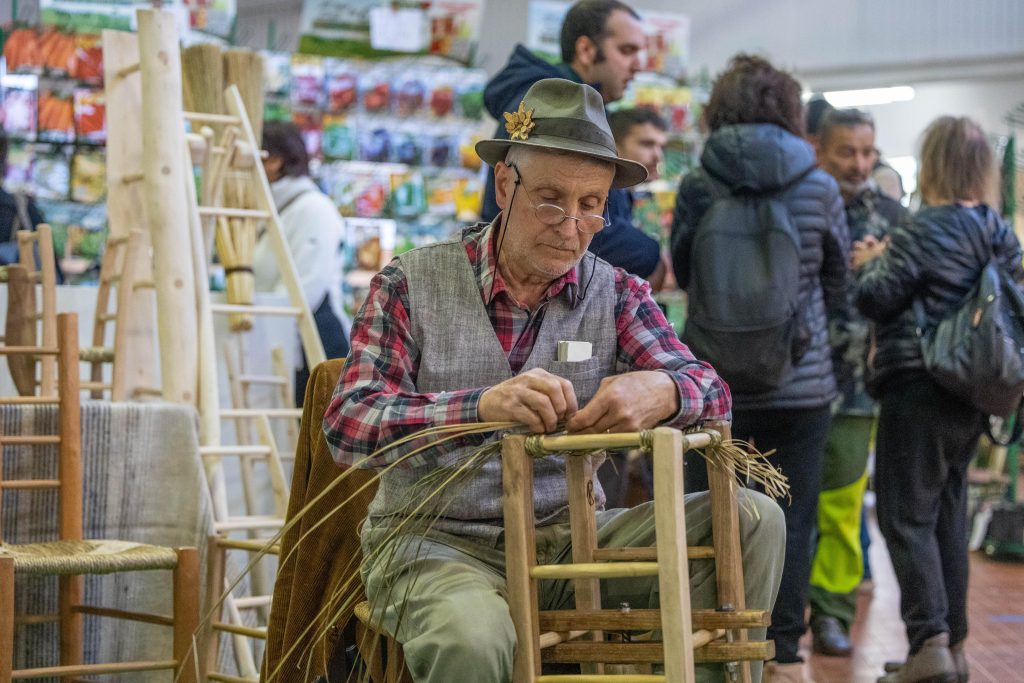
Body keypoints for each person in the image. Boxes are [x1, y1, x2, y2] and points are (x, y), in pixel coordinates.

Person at [324, 78, 785, 683]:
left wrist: (665, 391)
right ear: (504, 185)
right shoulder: (411, 283)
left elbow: (711, 390)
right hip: (437, 544)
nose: (571, 226)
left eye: (592, 204)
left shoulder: (616, 293)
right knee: (473, 640)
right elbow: (349, 423)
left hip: (571, 539)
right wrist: (479, 407)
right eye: (550, 199)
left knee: (755, 520)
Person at [670, 54, 849, 683]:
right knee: (794, 518)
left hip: (714, 385)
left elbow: (685, 273)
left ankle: (717, 648)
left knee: (709, 513)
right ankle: (784, 653)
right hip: (801, 384)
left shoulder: (699, 183)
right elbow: (839, 282)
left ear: (719, 110)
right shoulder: (820, 186)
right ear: (791, 112)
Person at [855, 116, 1022, 683]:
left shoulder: (924, 227)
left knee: (904, 514)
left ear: (934, 164)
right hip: (972, 391)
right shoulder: (999, 231)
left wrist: (869, 263)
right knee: (948, 515)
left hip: (919, 383)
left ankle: (929, 641)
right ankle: (953, 646)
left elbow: (877, 297)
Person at [808, 108, 911, 657]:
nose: (860, 163)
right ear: (819, 150)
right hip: (793, 382)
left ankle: (832, 611)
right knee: (785, 504)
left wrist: (886, 264)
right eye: (847, 151)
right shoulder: (801, 204)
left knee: (842, 508)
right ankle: (780, 614)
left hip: (857, 388)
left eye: (867, 152)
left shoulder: (893, 218)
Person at [481, 0, 664, 285]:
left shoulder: (580, 110)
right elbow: (567, 225)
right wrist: (649, 252)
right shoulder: (554, 112)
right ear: (586, 50)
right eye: (627, 50)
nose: (639, 65)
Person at [255, 121, 349, 405]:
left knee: (309, 431)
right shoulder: (275, 210)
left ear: (274, 161)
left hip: (311, 349)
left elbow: (306, 287)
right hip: (278, 343)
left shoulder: (313, 209)